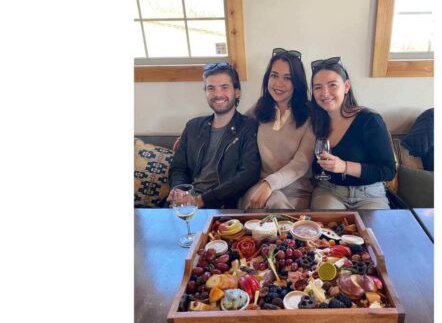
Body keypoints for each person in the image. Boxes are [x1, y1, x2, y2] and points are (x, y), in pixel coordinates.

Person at [167, 62, 261, 209]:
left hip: (221, 206)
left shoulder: (248, 128)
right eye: (211, 88)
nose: (217, 94)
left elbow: (248, 174)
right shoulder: (193, 126)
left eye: (224, 87)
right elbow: (178, 167)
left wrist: (202, 200)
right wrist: (179, 191)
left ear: (237, 92)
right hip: (186, 204)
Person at [309, 57, 396, 209]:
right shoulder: (316, 121)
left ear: (346, 86)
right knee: (326, 223)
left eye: (332, 85)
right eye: (318, 87)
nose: (325, 93)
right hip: (329, 191)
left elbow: (388, 171)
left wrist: (344, 166)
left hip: (369, 194)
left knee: (373, 225)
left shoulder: (369, 120)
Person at [240, 48, 315, 209]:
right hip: (259, 187)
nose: (279, 83)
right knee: (277, 202)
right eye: (274, 75)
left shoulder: (310, 115)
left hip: (297, 191)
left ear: (297, 82)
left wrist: (271, 183)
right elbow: (235, 130)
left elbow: (301, 162)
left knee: (282, 209)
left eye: (287, 78)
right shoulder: (259, 109)